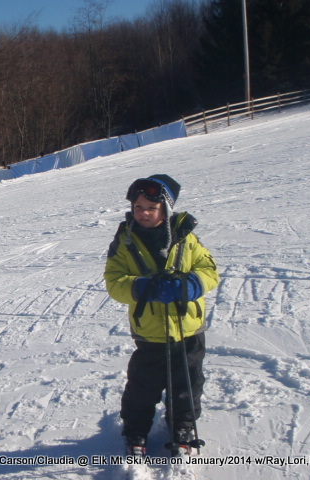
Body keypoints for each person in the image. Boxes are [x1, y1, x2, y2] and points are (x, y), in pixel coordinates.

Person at [103, 174, 219, 457]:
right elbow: (114, 282)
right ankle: (136, 429)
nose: (143, 213)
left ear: (165, 210)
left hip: (188, 330)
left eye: (151, 208)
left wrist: (190, 284)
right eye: (138, 207)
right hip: (150, 332)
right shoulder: (124, 240)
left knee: (187, 384)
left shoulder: (186, 237)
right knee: (143, 386)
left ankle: (182, 425)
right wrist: (140, 287)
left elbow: (210, 270)